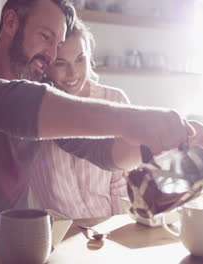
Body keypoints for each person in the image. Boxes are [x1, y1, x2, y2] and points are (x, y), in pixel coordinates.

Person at [0, 0, 203, 232]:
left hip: (6, 242)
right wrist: (135, 119)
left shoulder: (41, 88)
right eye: (46, 37)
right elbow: (9, 105)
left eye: (59, 44)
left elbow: (102, 151)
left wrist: (159, 141)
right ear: (11, 23)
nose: (52, 55)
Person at [26, 19, 131, 218]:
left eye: (80, 59)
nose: (73, 72)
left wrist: (117, 231)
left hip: (107, 231)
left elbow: (122, 181)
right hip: (56, 236)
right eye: (60, 63)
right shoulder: (32, 108)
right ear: (45, 66)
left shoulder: (115, 100)